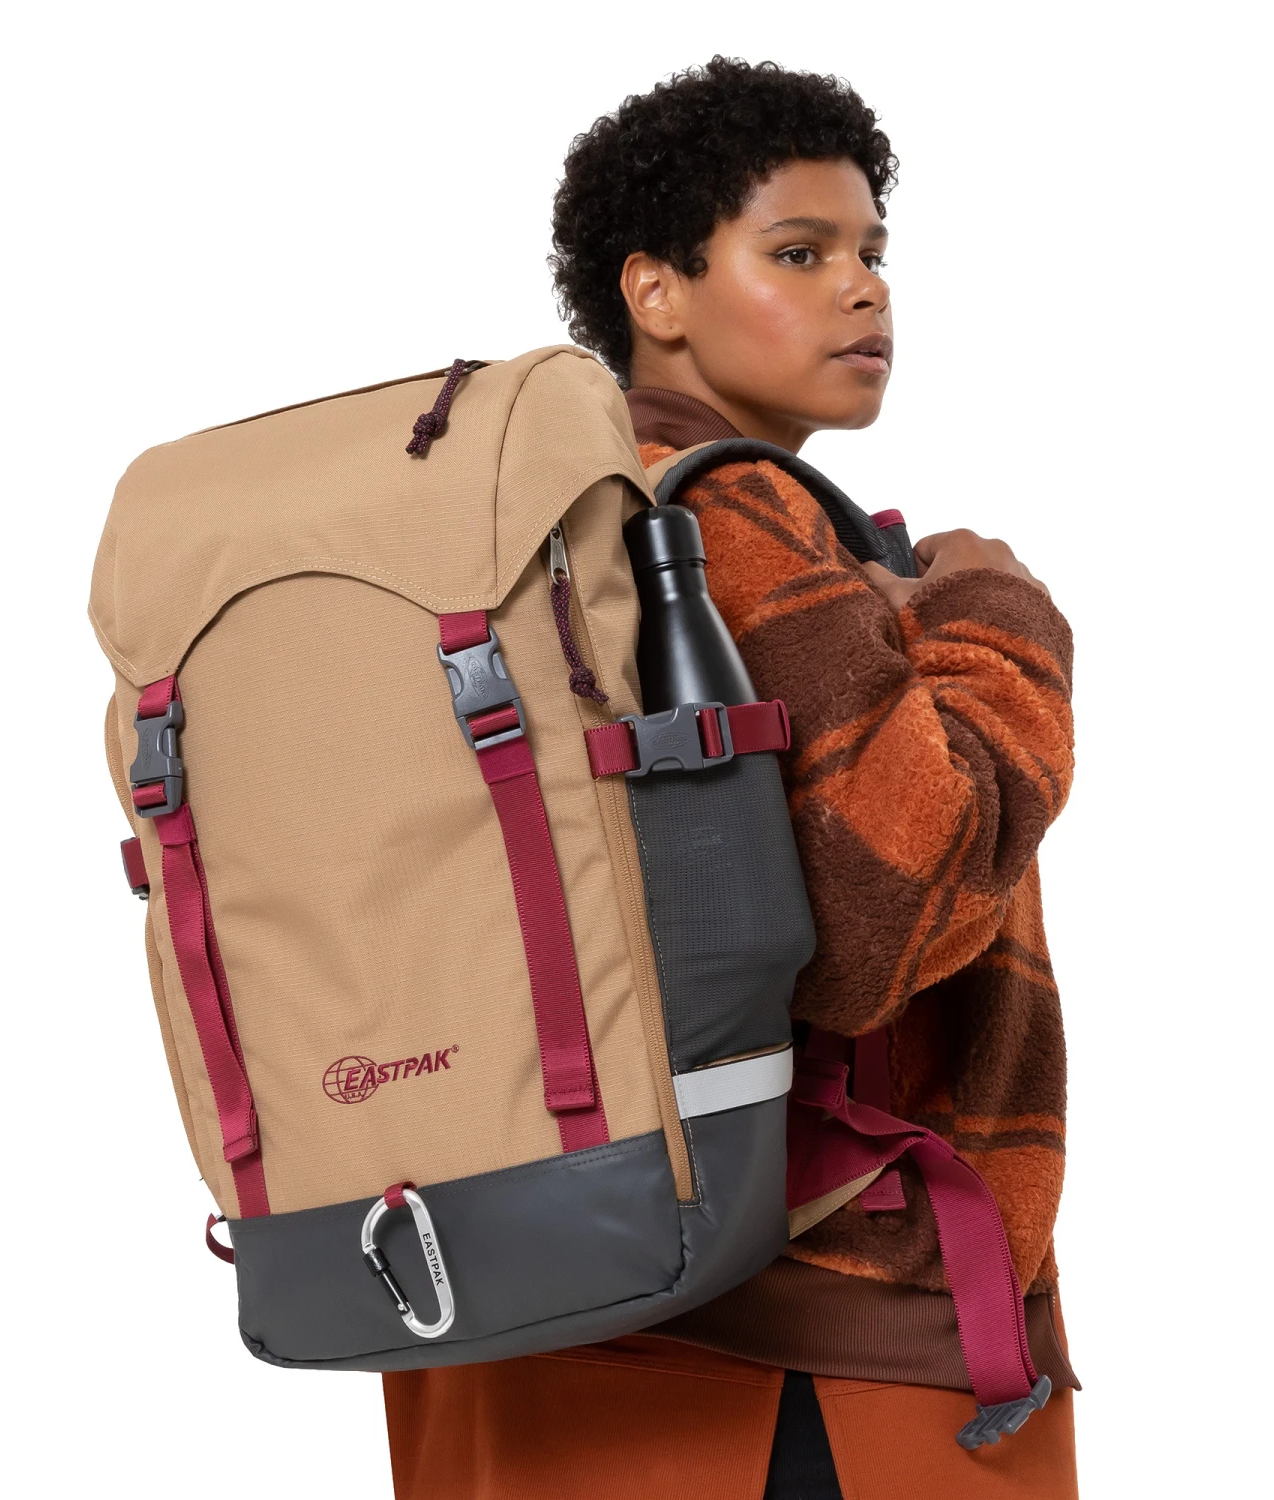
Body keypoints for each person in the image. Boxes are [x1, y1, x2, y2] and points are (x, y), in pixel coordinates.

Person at [385, 58, 1078, 1500]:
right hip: (799, 1343)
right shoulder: (714, 510)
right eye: (799, 253)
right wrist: (1000, 618)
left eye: (873, 251)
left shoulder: (495, 529)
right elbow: (891, 909)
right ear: (655, 291)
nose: (864, 289)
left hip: (502, 1285)